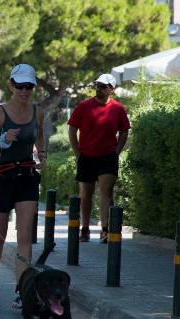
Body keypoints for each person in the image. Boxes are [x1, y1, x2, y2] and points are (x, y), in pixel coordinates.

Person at [0, 64, 46, 310]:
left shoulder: (37, 112)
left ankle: (22, 290)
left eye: (29, 86)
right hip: (2, 178)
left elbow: (39, 138)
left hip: (27, 177)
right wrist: (1, 141)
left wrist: (43, 156)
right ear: (11, 86)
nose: (25, 91)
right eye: (20, 86)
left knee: (25, 235)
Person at [67, 73, 130, 243]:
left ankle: (105, 229)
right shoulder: (83, 106)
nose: (99, 89)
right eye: (97, 85)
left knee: (105, 191)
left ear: (111, 89)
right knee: (86, 193)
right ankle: (85, 228)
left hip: (108, 157)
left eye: (103, 86)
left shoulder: (118, 109)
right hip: (86, 156)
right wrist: (77, 153)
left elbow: (124, 131)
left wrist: (117, 151)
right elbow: (72, 130)